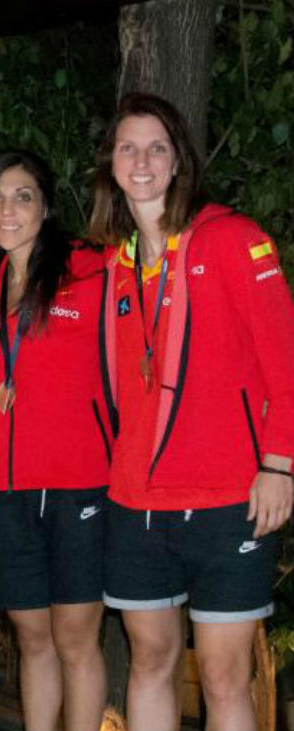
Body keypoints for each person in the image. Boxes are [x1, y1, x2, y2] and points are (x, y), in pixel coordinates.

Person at [91, 92, 294, 731]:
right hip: (136, 501)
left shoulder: (232, 239)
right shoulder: (114, 263)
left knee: (225, 676)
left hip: (229, 498)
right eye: (128, 148)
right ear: (111, 163)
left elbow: (286, 361)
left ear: (178, 161)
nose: (142, 162)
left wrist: (280, 465)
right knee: (150, 661)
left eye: (157, 148)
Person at [0, 150, 108, 730]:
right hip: (8, 486)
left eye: (23, 197)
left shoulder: (91, 270)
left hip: (77, 483)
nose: (8, 210)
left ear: (46, 207)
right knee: (32, 636)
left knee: (75, 637)